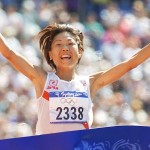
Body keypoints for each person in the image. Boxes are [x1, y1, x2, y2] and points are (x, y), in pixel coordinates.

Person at [0, 23, 150, 135]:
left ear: (80, 52)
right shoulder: (42, 79)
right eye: (58, 44)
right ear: (50, 54)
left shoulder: (90, 83)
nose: (65, 48)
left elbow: (130, 64)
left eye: (70, 44)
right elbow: (9, 54)